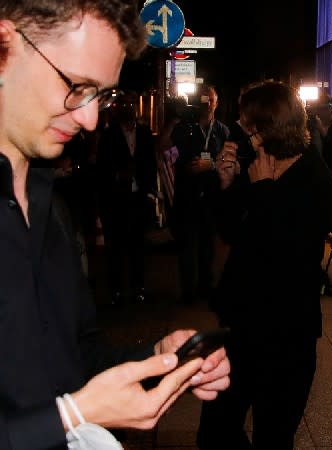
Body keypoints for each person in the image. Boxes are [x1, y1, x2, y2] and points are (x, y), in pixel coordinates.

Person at [0, 1, 230, 448]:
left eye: (100, 94)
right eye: (74, 85)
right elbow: (70, 405)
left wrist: (156, 361)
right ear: (5, 47)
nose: (89, 119)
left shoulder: (52, 211)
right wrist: (71, 415)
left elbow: (78, 357)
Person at [196, 81, 332, 449]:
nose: (246, 133)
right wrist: (226, 184)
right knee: (214, 431)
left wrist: (263, 192)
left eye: (251, 126)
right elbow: (232, 231)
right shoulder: (258, 164)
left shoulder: (314, 176)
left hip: (287, 331)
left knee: (273, 436)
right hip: (244, 324)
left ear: (272, 126)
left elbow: (291, 255)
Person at [170, 84, 230, 303]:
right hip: (188, 195)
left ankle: (206, 286)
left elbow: (228, 162)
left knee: (208, 245)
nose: (207, 104)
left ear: (217, 102)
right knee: (188, 245)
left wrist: (211, 165)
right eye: (204, 99)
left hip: (211, 197)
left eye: (211, 100)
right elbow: (168, 149)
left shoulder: (222, 131)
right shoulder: (187, 128)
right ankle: (188, 291)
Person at [96, 92, 156, 304]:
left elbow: (151, 165)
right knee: (116, 248)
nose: (128, 107)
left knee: (138, 246)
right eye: (124, 104)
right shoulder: (109, 135)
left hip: (138, 198)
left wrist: (150, 193)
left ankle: (138, 286)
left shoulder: (145, 133)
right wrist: (117, 175)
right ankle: (116, 291)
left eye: (131, 103)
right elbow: (101, 169)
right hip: (116, 200)